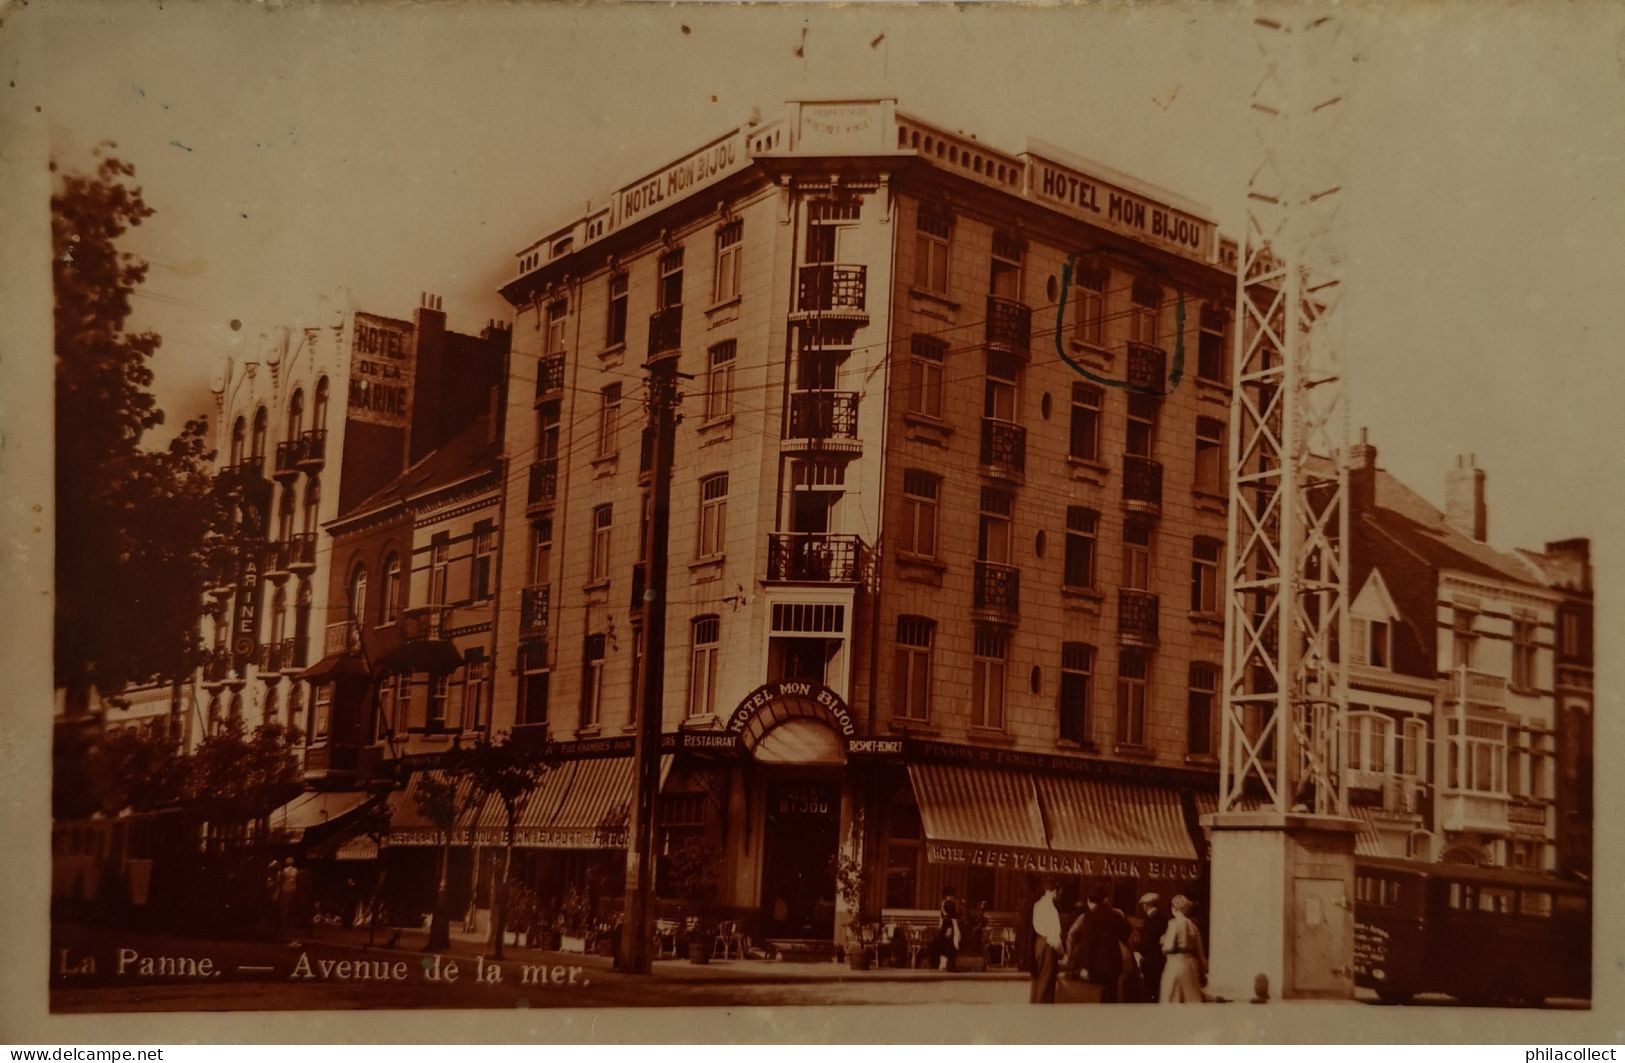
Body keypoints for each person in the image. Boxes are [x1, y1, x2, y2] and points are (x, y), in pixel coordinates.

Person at [1077, 890, 1130, 1003]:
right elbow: (1125, 933)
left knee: (1096, 995)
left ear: (1090, 901)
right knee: (1112, 995)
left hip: (1097, 962)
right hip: (1114, 962)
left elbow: (1088, 941)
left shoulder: (1090, 916)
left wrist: (1085, 966)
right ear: (1105, 900)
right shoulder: (1116, 915)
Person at [1159, 894, 1207, 1003]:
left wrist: (1163, 941)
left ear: (1174, 908)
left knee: (1171, 998)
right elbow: (1200, 953)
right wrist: (1203, 971)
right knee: (1191, 1000)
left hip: (1175, 963)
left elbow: (1168, 946)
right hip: (1191, 964)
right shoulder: (1193, 926)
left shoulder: (1173, 923)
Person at [1029, 878, 1062, 1003]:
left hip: (1038, 944)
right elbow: (1054, 935)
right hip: (1048, 945)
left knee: (1038, 981)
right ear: (1055, 891)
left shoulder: (1038, 905)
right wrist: (1061, 951)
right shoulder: (1051, 909)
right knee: (1046, 982)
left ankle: (1036, 1007)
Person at [1137, 892, 1170, 1003]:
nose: (1143, 907)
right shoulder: (1163, 918)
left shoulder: (1150, 920)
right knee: (1157, 990)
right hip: (1160, 959)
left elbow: (1147, 942)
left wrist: (1138, 949)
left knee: (1150, 989)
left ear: (1147, 905)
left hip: (1150, 960)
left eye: (1143, 905)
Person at [934, 886, 960, 971]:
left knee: (944, 944)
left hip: (944, 924)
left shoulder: (943, 903)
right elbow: (952, 916)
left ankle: (943, 965)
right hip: (950, 923)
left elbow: (942, 917)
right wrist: (951, 928)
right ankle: (950, 965)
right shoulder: (950, 903)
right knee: (951, 944)